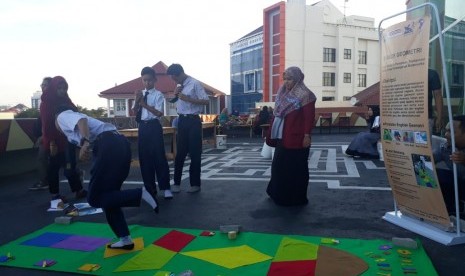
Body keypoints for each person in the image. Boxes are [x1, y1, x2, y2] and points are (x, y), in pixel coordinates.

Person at [54, 106, 159, 250]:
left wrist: (85, 143)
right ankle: (125, 239)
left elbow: (81, 120)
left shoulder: (62, 116)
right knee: (108, 197)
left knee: (94, 198)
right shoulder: (71, 134)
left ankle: (139, 193)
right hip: (117, 143)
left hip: (108, 144)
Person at [265, 67, 316, 206]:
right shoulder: (283, 93)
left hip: (298, 139)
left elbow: (309, 118)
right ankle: (277, 194)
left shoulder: (306, 95)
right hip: (282, 136)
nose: (287, 82)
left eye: (290, 79)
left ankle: (296, 198)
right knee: (278, 166)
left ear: (298, 78)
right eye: (285, 79)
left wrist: (307, 136)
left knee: (297, 169)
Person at [40, 76, 86, 201]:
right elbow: (46, 124)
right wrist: (52, 143)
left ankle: (78, 190)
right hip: (54, 141)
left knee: (70, 165)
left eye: (64, 88)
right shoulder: (46, 103)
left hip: (67, 139)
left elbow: (76, 113)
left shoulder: (66, 100)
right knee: (53, 168)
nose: (62, 91)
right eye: (59, 88)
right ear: (53, 88)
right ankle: (55, 195)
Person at [166, 64, 209, 193]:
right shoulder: (179, 85)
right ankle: (177, 183)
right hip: (182, 120)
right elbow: (178, 102)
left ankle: (195, 184)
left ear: (179, 74)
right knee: (180, 153)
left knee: (195, 153)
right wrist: (175, 95)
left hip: (193, 120)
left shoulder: (194, 83)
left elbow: (206, 101)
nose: (174, 81)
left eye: (174, 78)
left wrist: (189, 99)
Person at [133, 67, 172, 199]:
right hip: (143, 127)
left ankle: (166, 188)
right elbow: (134, 112)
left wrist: (143, 104)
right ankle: (150, 189)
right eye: (144, 80)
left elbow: (159, 113)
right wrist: (137, 101)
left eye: (149, 80)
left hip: (154, 126)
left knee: (159, 157)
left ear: (155, 80)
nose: (147, 83)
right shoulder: (140, 94)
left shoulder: (158, 95)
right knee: (145, 158)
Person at [433, 115, 465, 215]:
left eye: (451, 132)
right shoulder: (447, 147)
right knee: (437, 174)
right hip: (459, 188)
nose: (446, 135)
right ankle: (450, 209)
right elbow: (431, 158)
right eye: (446, 130)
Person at [29, 77, 52, 190]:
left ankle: (46, 181)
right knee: (43, 158)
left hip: (53, 136)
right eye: (42, 85)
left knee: (59, 159)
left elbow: (50, 121)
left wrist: (43, 136)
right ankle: (45, 180)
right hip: (45, 135)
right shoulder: (44, 101)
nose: (43, 87)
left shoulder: (54, 101)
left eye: (45, 85)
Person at [428, 69, 443, 135]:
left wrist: (439, 117)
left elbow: (438, 95)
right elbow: (437, 95)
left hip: (425, 118)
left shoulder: (431, 74)